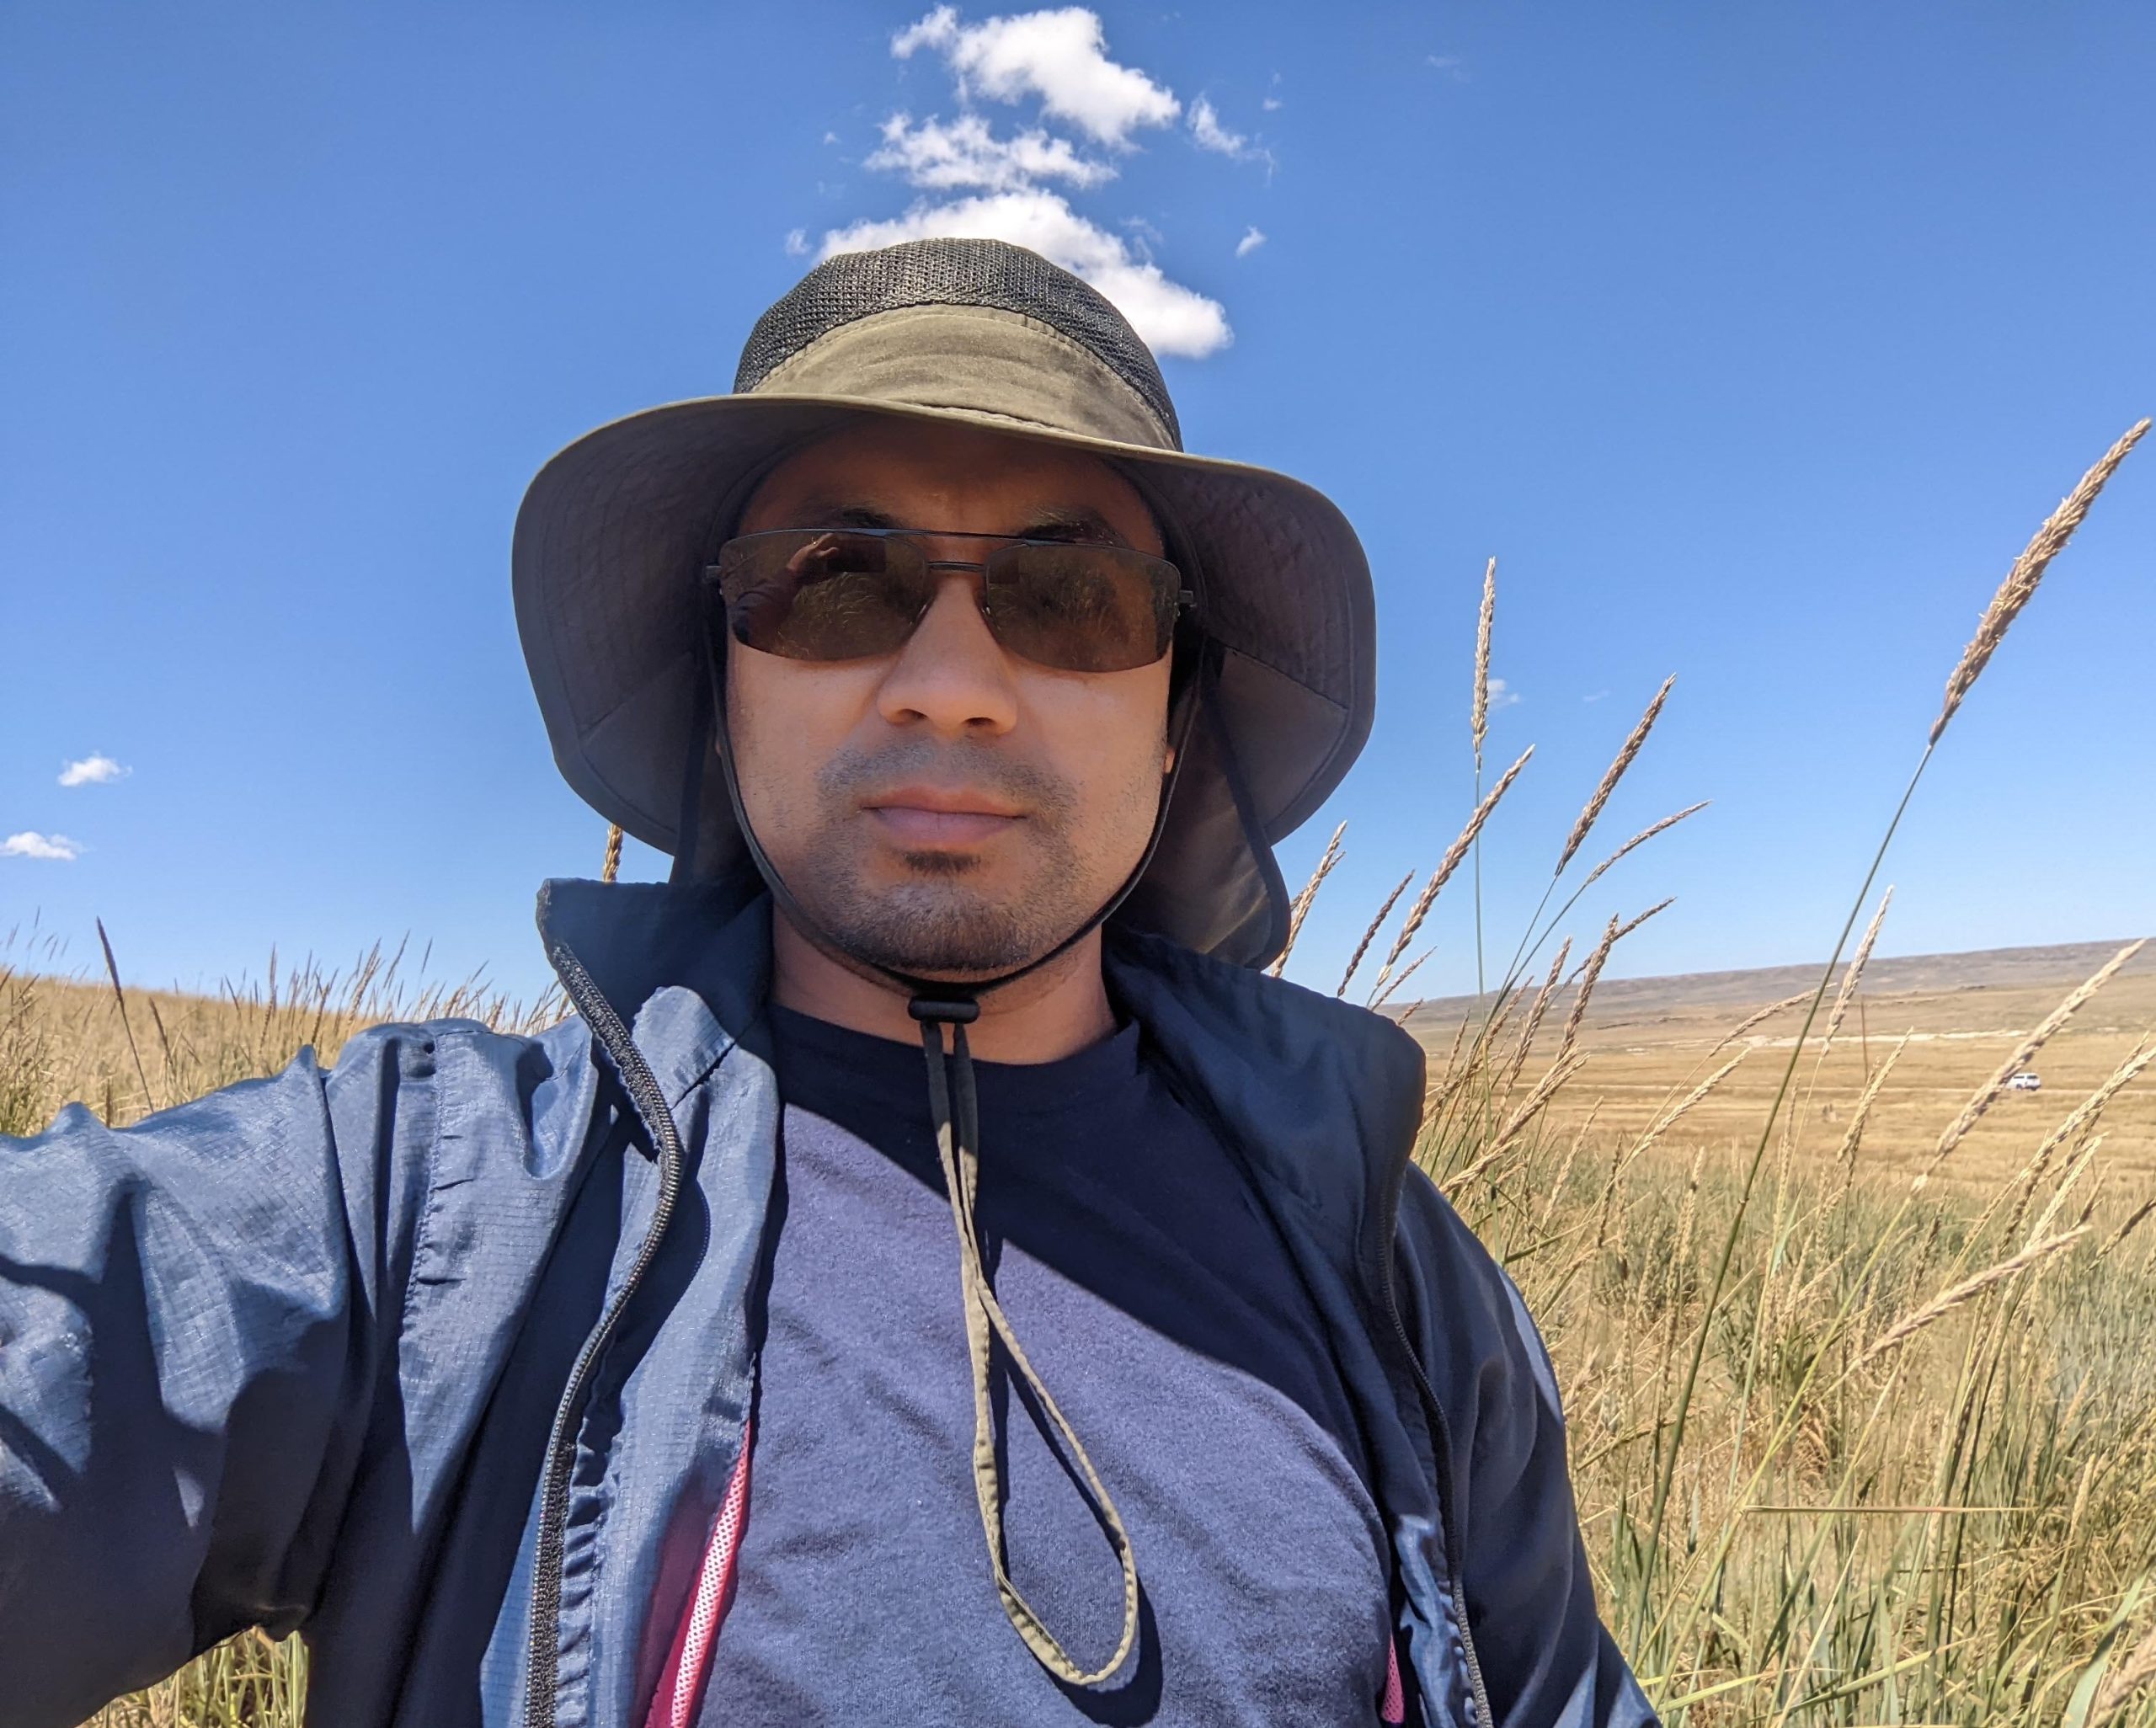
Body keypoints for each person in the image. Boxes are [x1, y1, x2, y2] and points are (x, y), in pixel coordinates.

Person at [0, 238, 1656, 1728]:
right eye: (835, 577)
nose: (948, 686)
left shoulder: (1389, 1281)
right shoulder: (437, 1217)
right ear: (722, 687)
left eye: (1068, 596)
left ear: (1175, 715)